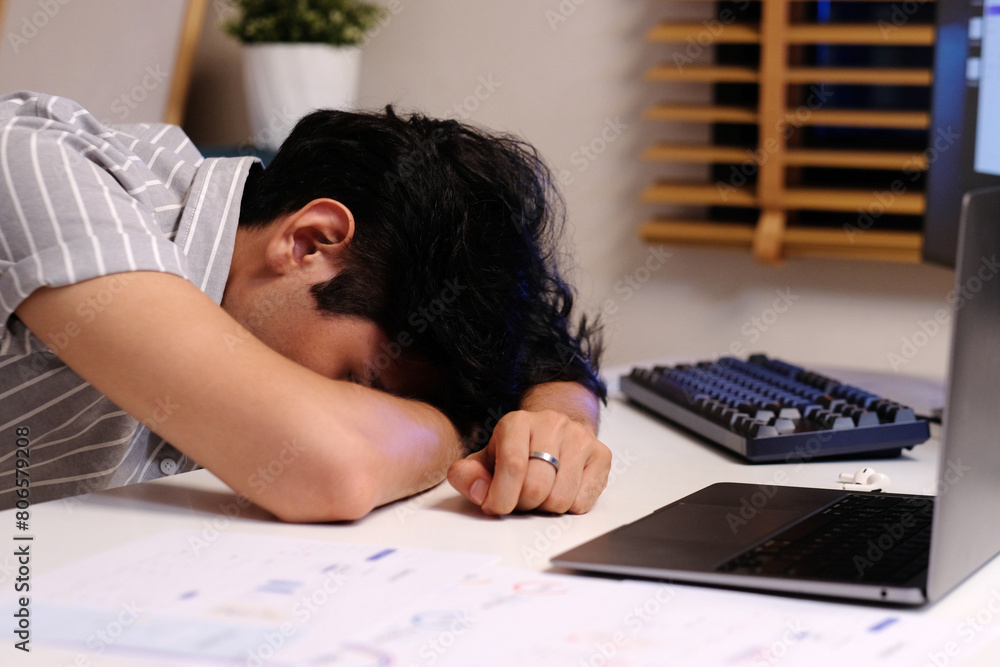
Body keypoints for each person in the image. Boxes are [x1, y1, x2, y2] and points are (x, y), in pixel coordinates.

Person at [0, 91, 610, 521]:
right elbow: (331, 467)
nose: (367, 416)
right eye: (358, 384)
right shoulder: (42, 172)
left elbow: (542, 343)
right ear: (308, 241)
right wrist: (460, 434)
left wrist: (561, 419)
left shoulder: (251, 266)